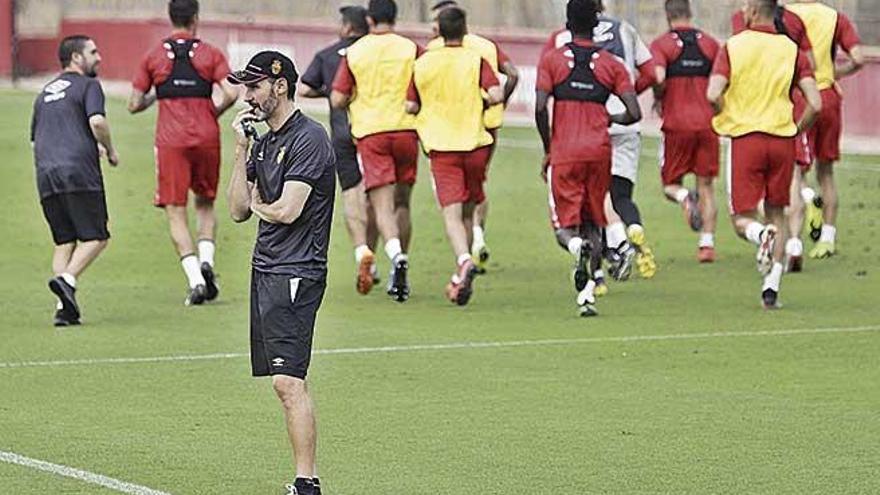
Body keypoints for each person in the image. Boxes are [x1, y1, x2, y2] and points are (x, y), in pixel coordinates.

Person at [227, 51, 335, 495]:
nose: (246, 96)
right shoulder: (263, 140)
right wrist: (240, 149)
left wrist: (258, 205)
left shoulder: (309, 138)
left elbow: (288, 211)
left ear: (280, 86)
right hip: (266, 269)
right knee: (282, 381)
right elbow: (236, 210)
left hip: (297, 271)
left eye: (253, 87)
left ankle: (306, 483)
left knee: (288, 381)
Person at [707, 0, 821, 309]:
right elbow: (816, 101)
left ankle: (760, 236)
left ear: (754, 11)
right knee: (776, 212)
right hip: (782, 140)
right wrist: (797, 129)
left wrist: (724, 113)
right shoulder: (792, 49)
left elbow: (713, 92)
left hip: (746, 139)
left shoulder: (734, 46)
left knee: (742, 218)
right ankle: (771, 287)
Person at [536, 0, 641, 317]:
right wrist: (612, 119)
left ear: (567, 23)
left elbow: (540, 106)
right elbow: (635, 112)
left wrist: (548, 147)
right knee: (594, 220)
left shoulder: (553, 60)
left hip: (566, 152)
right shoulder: (611, 64)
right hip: (599, 152)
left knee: (565, 228)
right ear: (595, 26)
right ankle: (587, 295)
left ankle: (575, 250)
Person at [129, 0, 238, 305]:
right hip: (207, 137)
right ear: (195, 19)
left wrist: (156, 95)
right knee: (205, 204)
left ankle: (195, 280)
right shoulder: (210, 53)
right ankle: (208, 263)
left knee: (175, 210)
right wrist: (212, 112)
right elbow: (232, 91)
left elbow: (134, 103)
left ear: (171, 18)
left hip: (170, 141)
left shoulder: (153, 55)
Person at [406, 6, 503, 305]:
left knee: (451, 212)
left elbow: (410, 106)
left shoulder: (424, 63)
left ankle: (463, 260)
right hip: (475, 143)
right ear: (464, 29)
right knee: (470, 208)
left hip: (442, 146)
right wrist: (481, 104)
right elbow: (497, 93)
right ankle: (460, 272)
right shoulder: (476, 60)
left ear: (438, 30)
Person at [331, 0, 421, 303]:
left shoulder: (355, 52)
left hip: (372, 133)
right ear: (394, 17)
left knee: (381, 207)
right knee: (403, 203)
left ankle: (395, 256)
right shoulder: (411, 48)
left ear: (369, 19)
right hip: (407, 130)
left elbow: (337, 98)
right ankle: (401, 263)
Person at [31, 35, 118, 326]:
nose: (99, 57)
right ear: (77, 58)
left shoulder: (44, 92)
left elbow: (36, 140)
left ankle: (63, 308)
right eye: (93, 52)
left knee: (64, 241)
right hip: (79, 172)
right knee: (97, 237)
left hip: (46, 174)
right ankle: (67, 280)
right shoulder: (89, 85)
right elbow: (96, 121)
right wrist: (111, 149)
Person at [427, 0, 520, 273]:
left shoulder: (431, 52)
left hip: (445, 133)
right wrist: (496, 104)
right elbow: (512, 75)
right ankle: (477, 235)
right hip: (484, 128)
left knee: (450, 197)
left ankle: (464, 253)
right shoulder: (486, 46)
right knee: (477, 186)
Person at [299, 5, 380, 295]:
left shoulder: (328, 54)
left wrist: (330, 89)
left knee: (352, 194)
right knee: (379, 196)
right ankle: (379, 254)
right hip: (376, 131)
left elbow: (304, 88)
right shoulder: (377, 52)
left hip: (343, 132)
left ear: (347, 27)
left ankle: (361, 251)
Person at [785, 0, 864, 261]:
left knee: (796, 169)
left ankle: (804, 209)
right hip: (828, 96)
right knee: (826, 171)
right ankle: (828, 238)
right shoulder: (835, 17)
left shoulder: (787, 15)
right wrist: (833, 74)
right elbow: (858, 59)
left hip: (800, 97)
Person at [649, 0, 721, 262]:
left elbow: (657, 77)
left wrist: (660, 96)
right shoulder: (711, 44)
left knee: (670, 184)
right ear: (689, 13)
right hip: (707, 124)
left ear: (668, 16)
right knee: (707, 186)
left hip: (676, 125)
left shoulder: (662, 45)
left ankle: (683, 196)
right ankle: (707, 244)